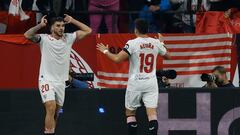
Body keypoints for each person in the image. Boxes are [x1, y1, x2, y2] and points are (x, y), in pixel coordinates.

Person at [97, 19, 170, 135]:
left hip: (136, 83)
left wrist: (105, 51)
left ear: (136, 29)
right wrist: (162, 43)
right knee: (151, 113)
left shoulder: (132, 43)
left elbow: (117, 59)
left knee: (130, 113)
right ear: (147, 29)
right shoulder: (155, 43)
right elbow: (168, 56)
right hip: (151, 83)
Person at [24, 14, 92, 135]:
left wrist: (73, 20)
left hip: (61, 82)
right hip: (46, 80)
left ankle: (50, 131)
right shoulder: (44, 39)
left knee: (56, 113)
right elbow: (27, 35)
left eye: (63, 26)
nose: (61, 28)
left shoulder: (69, 38)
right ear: (52, 28)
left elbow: (88, 30)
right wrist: (40, 25)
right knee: (51, 107)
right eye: (58, 26)